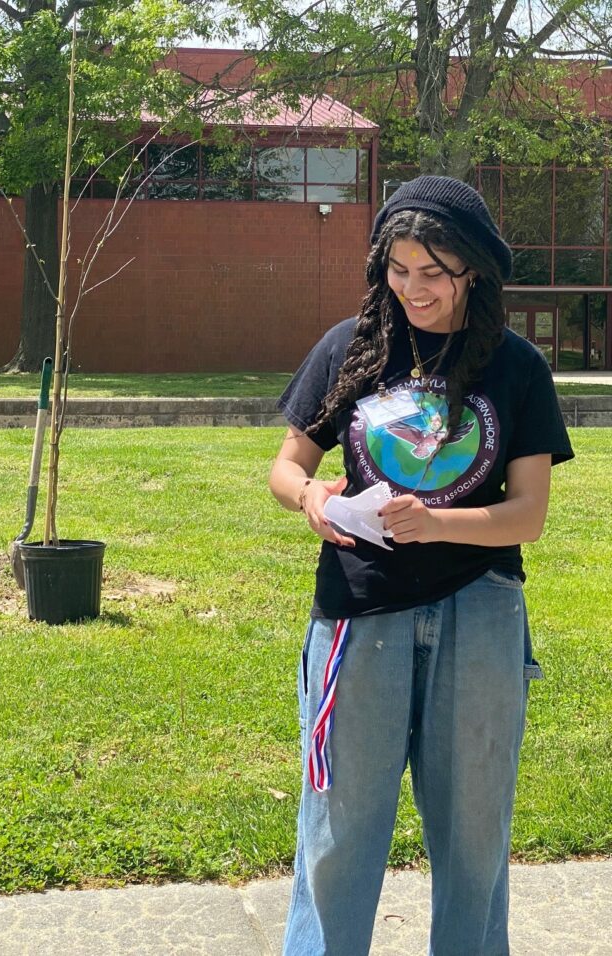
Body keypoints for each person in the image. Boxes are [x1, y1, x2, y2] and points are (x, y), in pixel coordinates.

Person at [268, 175, 573, 956]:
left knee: (475, 838)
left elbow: (526, 516)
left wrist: (435, 523)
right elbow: (285, 467)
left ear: (472, 269)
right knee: (339, 832)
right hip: (357, 615)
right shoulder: (350, 348)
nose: (413, 289)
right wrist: (309, 496)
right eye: (398, 270)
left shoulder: (517, 368)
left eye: (432, 273)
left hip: (480, 610)